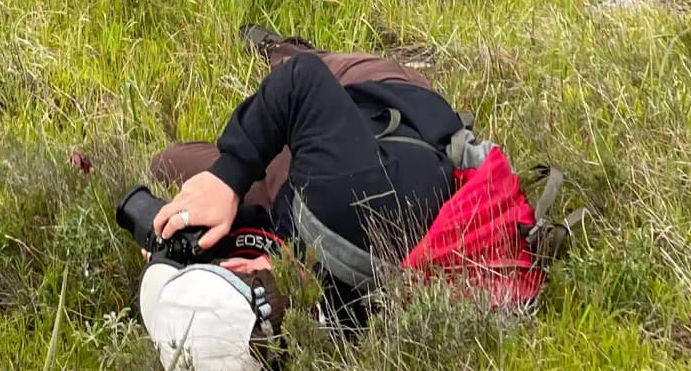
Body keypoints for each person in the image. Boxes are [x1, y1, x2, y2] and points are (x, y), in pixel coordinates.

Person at [149, 28, 481, 303]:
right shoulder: (351, 198)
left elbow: (279, 241)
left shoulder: (329, 317)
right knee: (297, 65)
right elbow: (302, 79)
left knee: (166, 166)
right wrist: (227, 178)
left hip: (293, 186)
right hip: (381, 99)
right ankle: (280, 49)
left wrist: (180, 241)